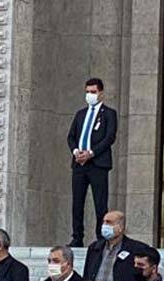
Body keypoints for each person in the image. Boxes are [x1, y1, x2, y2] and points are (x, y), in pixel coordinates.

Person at [67, 77, 118, 246]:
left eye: (93, 92)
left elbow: (109, 137)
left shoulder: (109, 114)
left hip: (98, 164)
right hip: (79, 164)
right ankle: (77, 237)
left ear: (101, 93)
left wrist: (91, 153)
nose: (90, 95)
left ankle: (101, 238)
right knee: (77, 202)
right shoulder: (80, 114)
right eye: (87, 92)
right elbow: (71, 136)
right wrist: (77, 152)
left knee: (100, 203)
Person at [83, 211, 146, 281]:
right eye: (103, 222)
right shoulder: (94, 248)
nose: (104, 226)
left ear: (120, 227)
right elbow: (87, 275)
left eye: (109, 222)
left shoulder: (135, 249)